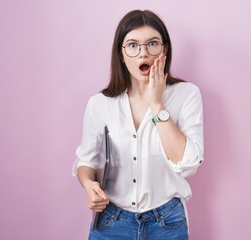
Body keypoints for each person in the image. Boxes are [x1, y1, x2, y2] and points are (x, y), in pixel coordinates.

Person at [73, 9, 204, 240]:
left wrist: (157, 104)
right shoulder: (99, 104)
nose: (143, 53)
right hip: (111, 222)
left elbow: (188, 164)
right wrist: (88, 185)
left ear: (164, 49)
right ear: (121, 54)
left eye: (152, 44)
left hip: (167, 223)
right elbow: (86, 161)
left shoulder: (187, 95)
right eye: (133, 45)